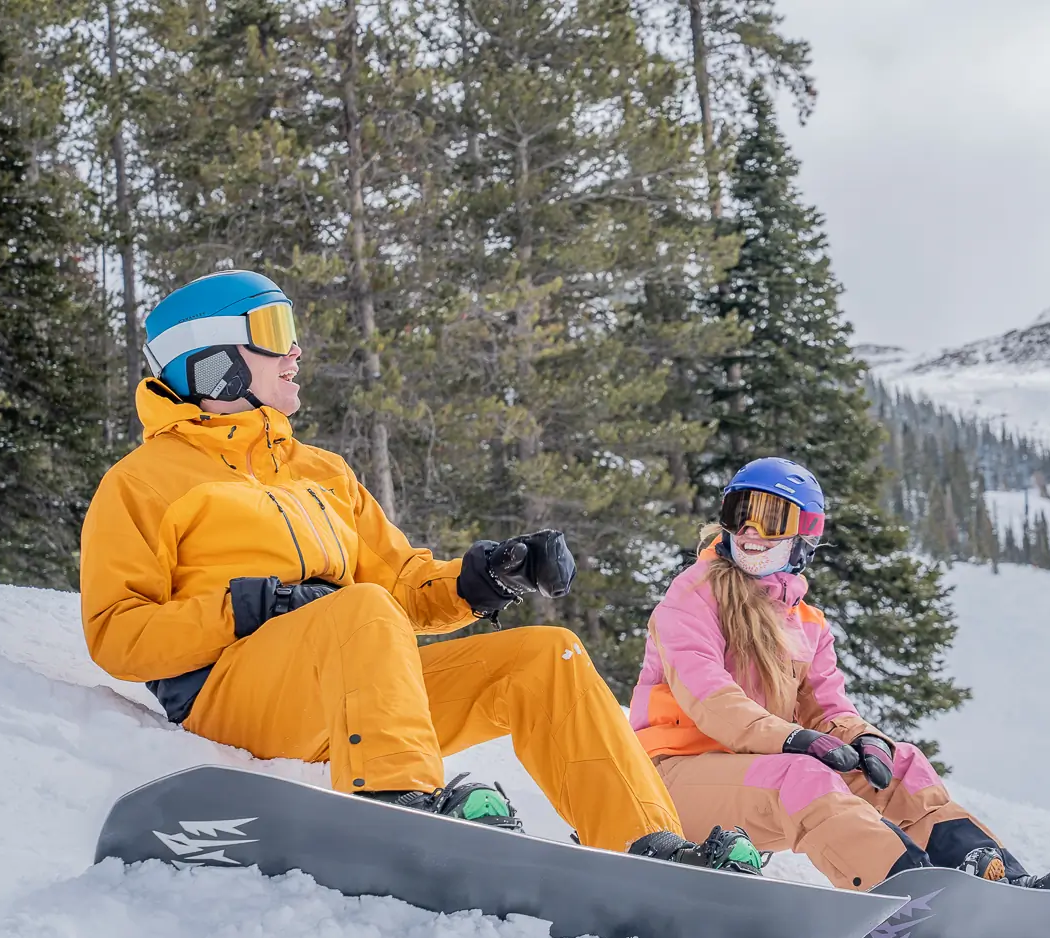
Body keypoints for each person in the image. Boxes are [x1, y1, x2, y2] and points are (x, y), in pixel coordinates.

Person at [80, 269, 762, 875]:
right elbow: (118, 635)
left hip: (358, 692)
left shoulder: (322, 473)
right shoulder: (143, 482)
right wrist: (246, 608)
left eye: (291, 329)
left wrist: (482, 579)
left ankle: (644, 844)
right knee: (362, 610)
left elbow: (401, 584)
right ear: (211, 359)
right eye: (273, 329)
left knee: (545, 656)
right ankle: (397, 802)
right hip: (235, 694)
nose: (294, 350)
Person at [629, 457, 1050, 893]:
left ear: (804, 536)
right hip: (671, 778)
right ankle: (907, 889)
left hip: (752, 772)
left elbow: (829, 711)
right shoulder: (691, 596)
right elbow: (708, 695)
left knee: (900, 766)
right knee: (801, 776)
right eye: (739, 512)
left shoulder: (806, 622)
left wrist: (866, 739)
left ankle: (1000, 883)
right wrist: (792, 740)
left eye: (771, 519)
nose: (750, 530)